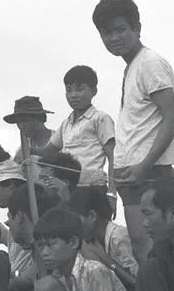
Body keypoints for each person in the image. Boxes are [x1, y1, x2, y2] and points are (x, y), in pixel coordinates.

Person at [92, 0, 174, 263]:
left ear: (137, 28)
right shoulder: (133, 66)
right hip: (131, 174)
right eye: (107, 33)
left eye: (121, 30)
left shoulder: (149, 62)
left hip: (149, 173)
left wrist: (144, 165)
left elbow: (172, 117)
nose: (114, 38)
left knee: (153, 250)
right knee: (143, 250)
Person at [30, 65, 117, 203]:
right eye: (69, 90)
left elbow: (113, 156)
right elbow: (48, 151)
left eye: (80, 89)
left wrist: (112, 193)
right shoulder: (66, 124)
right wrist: (28, 150)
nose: (73, 95)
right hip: (67, 187)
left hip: (92, 187)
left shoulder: (100, 118)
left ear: (94, 91)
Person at [3, 186, 58, 291]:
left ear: (19, 217)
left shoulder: (44, 253)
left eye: (10, 219)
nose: (10, 227)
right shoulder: (37, 250)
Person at [68, 186, 138, 291]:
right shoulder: (88, 240)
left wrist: (106, 260)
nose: (74, 226)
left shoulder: (118, 236)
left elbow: (136, 282)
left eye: (77, 220)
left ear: (92, 216)